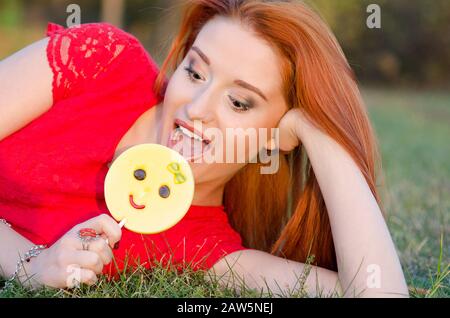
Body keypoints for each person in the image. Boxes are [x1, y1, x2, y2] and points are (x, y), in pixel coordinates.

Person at [0, 0, 408, 297]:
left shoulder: (203, 246)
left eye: (239, 102)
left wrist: (317, 131)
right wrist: (27, 263)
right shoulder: (100, 60)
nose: (196, 109)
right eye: (195, 72)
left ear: (275, 136)